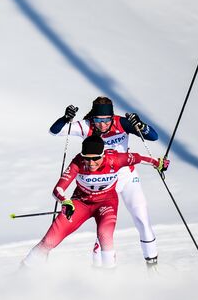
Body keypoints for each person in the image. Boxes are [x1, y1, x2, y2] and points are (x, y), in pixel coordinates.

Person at [22, 135, 167, 269]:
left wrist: (159, 163)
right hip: (80, 203)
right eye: (87, 158)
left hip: (106, 203)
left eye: (95, 158)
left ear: (102, 155)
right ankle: (22, 273)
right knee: (49, 241)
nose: (91, 163)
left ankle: (107, 280)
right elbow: (58, 188)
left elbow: (139, 158)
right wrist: (65, 201)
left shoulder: (115, 159)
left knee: (105, 236)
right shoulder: (78, 162)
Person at [50, 96, 162, 269]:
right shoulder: (86, 126)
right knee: (104, 230)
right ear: (93, 118)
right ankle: (100, 270)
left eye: (106, 120)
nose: (102, 125)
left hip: (127, 176)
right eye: (98, 120)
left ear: (112, 117)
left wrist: (141, 126)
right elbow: (55, 131)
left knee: (142, 219)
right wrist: (65, 118)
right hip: (105, 181)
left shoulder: (121, 123)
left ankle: (152, 267)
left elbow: (153, 137)